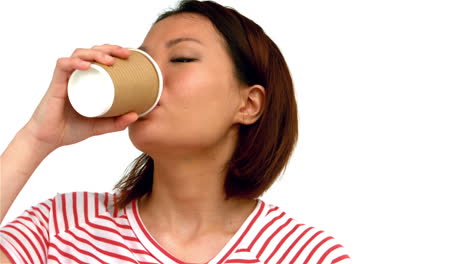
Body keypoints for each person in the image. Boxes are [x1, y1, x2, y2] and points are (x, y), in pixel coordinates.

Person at [0, 0, 350, 263]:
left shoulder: (304, 254)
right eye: (142, 62)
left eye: (181, 59)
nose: (151, 77)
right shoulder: (60, 228)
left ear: (249, 104)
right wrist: (37, 137)